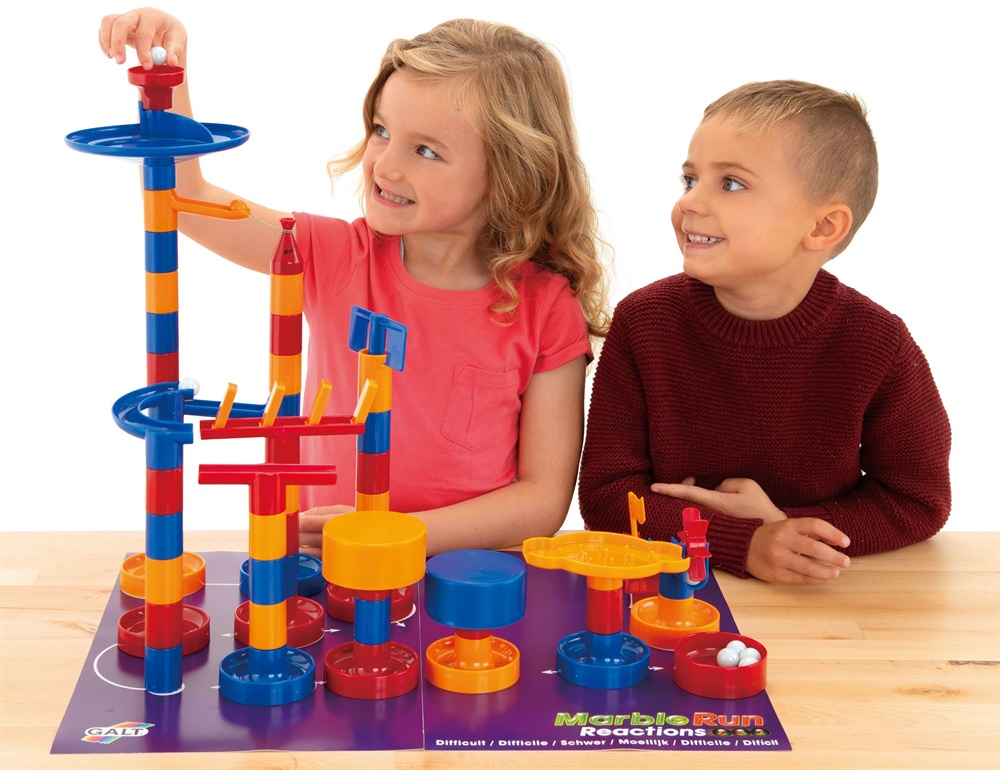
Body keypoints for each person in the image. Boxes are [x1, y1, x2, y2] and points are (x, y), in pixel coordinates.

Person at [99, 10, 609, 557]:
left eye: (427, 150)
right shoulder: (332, 255)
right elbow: (185, 200)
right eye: (382, 131)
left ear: (511, 174)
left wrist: (394, 535)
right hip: (329, 574)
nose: (385, 166)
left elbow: (542, 500)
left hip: (473, 581)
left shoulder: (546, 306)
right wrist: (166, 76)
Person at [578, 80, 950, 585]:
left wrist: (785, 531)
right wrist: (742, 540)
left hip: (816, 593)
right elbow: (607, 498)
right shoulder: (643, 322)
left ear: (822, 228)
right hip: (672, 592)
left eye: (731, 184)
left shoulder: (878, 343)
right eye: (690, 179)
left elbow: (917, 499)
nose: (690, 202)